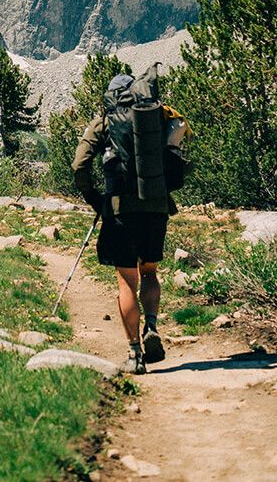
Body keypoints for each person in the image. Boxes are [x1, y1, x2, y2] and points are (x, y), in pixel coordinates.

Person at [72, 64, 180, 376]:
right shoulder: (156, 116)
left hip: (120, 210)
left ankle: (134, 353)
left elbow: (80, 165)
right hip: (156, 206)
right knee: (149, 273)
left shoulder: (104, 122)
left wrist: (94, 197)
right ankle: (152, 325)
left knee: (125, 281)